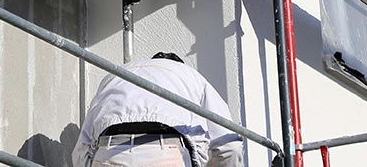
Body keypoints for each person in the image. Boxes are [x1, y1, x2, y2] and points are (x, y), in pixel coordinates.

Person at [73, 52, 243, 167]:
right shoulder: (191, 76)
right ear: (178, 65)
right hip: (165, 155)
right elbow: (229, 147)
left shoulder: (115, 75)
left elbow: (82, 148)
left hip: (109, 153)